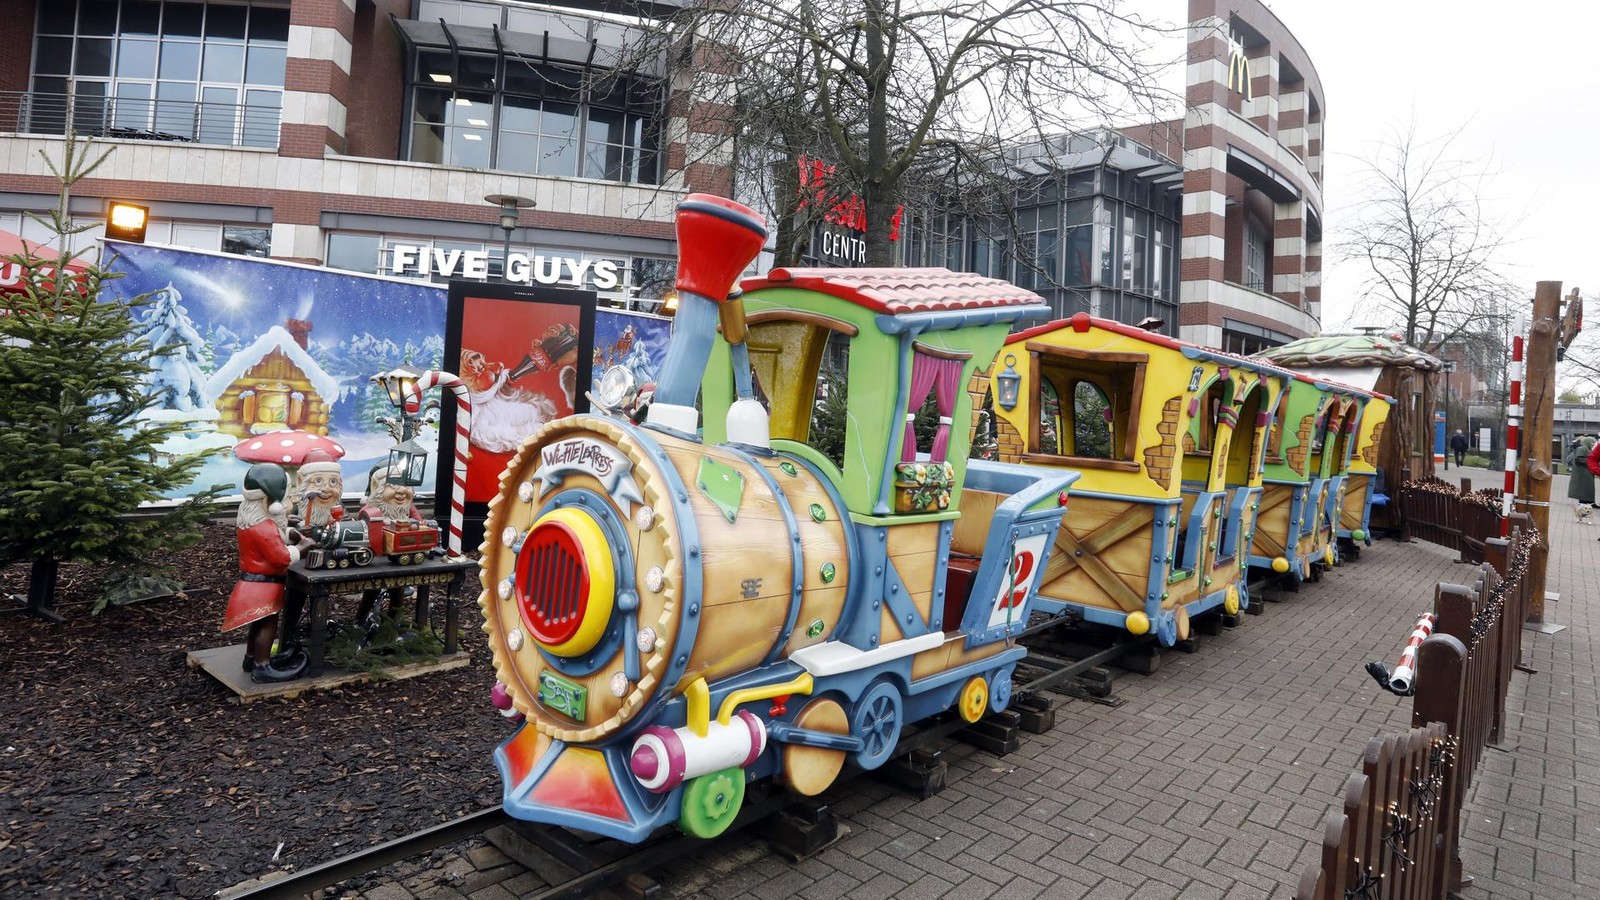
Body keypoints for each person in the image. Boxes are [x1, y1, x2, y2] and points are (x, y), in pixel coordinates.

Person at [223, 463, 313, 683]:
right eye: (286, 497)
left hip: (253, 583)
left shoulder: (251, 522)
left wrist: (291, 533)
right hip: (264, 586)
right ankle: (262, 667)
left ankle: (251, 658)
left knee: (259, 622)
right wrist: (303, 547)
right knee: (267, 624)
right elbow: (280, 557)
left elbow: (276, 535)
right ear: (271, 502)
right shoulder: (263, 528)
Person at [1566, 435, 1596, 524]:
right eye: (1592, 442)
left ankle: (1588, 504)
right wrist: (1591, 461)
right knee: (1584, 490)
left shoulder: (1586, 449)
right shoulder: (1582, 449)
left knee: (1587, 489)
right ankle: (1584, 507)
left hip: (1586, 473)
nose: (1593, 444)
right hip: (1582, 474)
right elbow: (1578, 459)